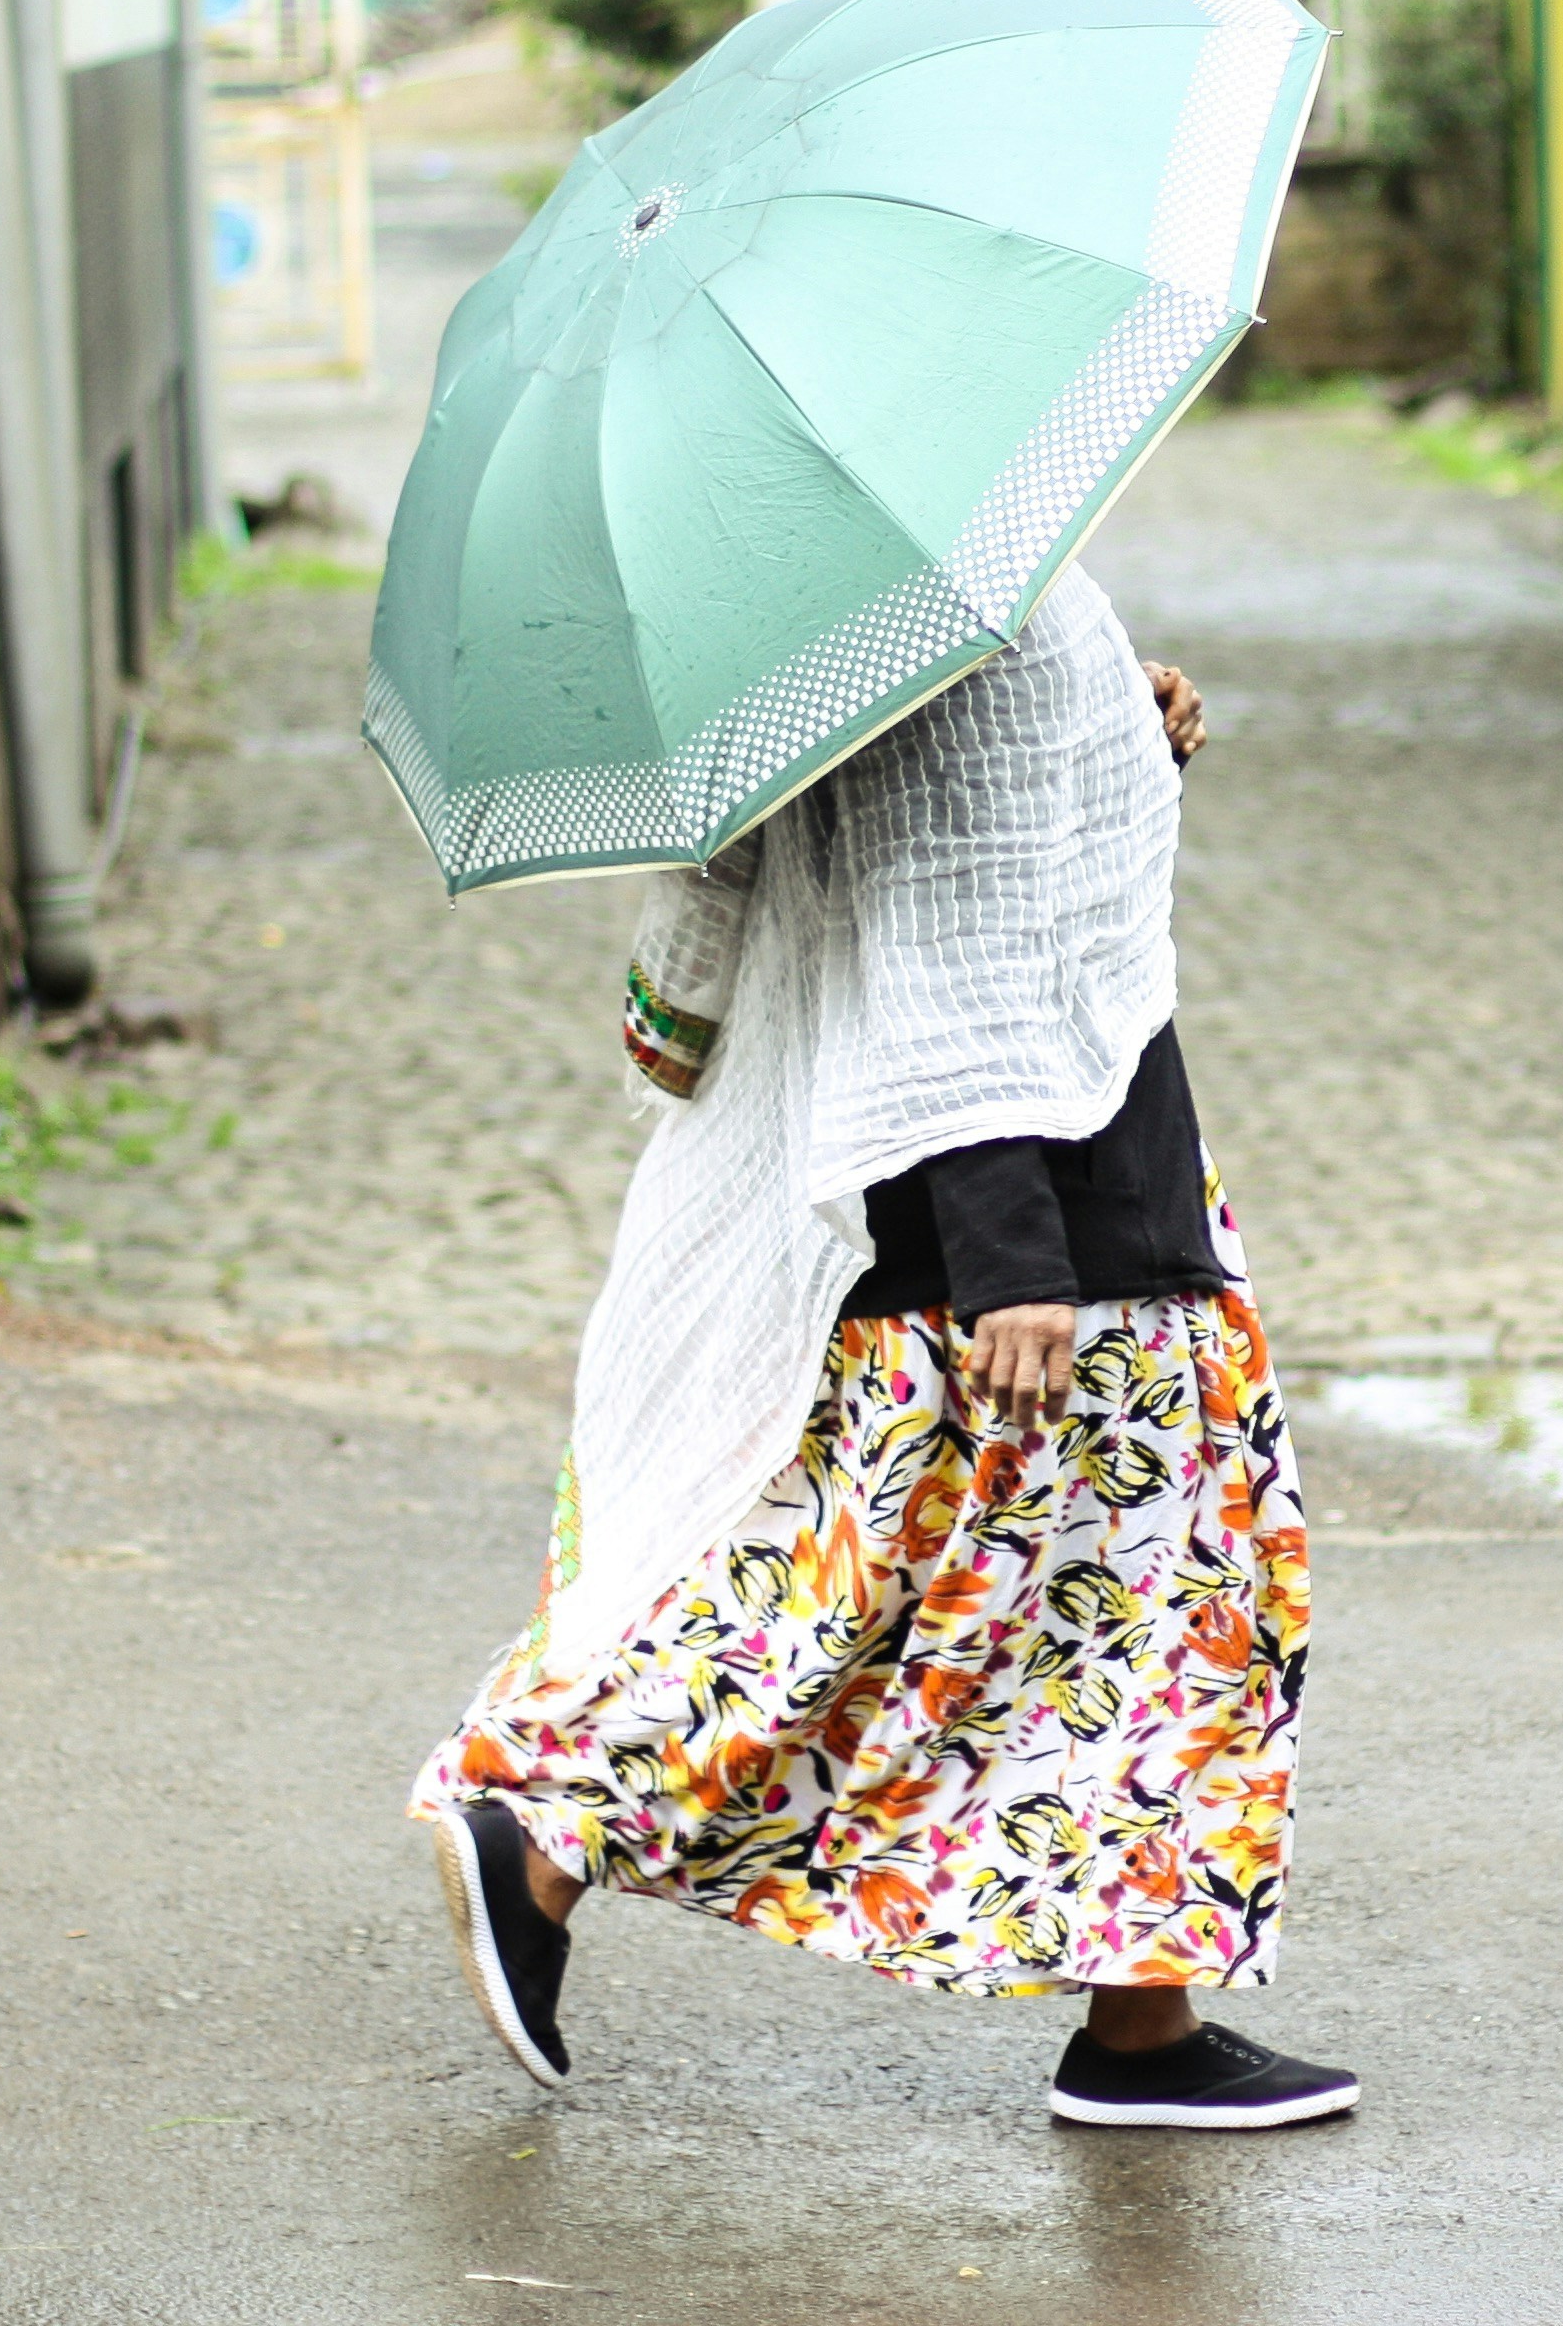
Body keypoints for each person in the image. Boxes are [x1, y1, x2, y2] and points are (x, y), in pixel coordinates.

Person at [406, 567, 1353, 2131]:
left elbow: (935, 863)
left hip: (965, 1202)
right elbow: (950, 934)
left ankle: (1142, 2019)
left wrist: (1125, 735)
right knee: (980, 1610)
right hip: (1051, 1216)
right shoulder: (964, 609)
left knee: (1104, 1627)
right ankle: (545, 1834)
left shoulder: (819, 624)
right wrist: (1013, 1265)